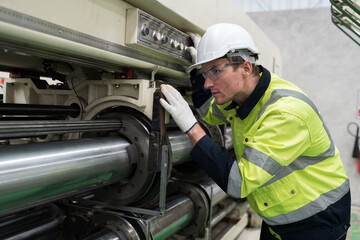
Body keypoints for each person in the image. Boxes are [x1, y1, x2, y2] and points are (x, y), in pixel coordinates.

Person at [159, 23, 351, 240]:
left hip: (316, 220)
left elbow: (238, 182)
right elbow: (210, 113)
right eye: (206, 73)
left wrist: (191, 128)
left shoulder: (286, 113)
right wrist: (197, 73)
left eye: (215, 71)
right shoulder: (245, 95)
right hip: (277, 216)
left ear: (246, 67)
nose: (207, 83)